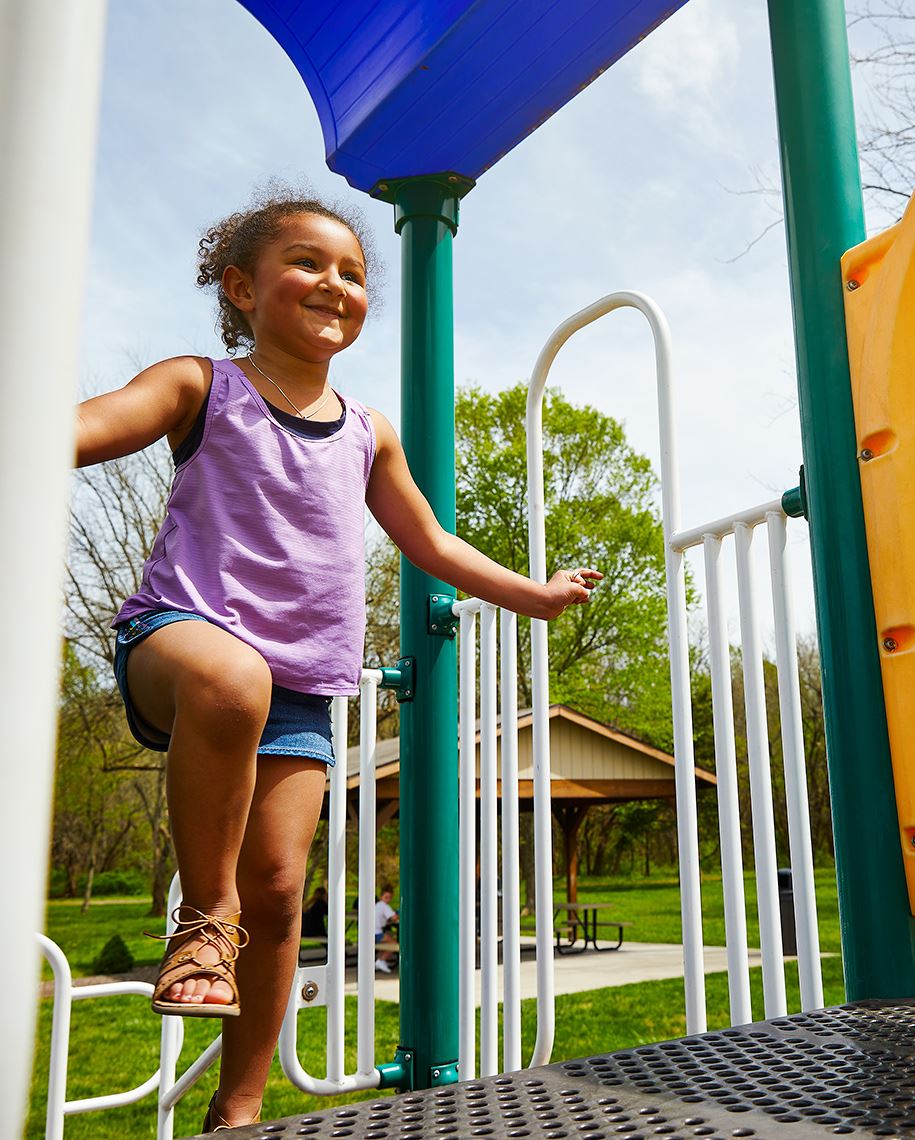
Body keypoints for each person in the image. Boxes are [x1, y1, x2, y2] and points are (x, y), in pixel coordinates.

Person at [74, 190, 602, 1131]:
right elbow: (104, 419)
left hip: (299, 692)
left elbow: (432, 544)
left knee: (280, 894)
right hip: (179, 640)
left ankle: (239, 1109)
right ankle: (202, 922)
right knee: (231, 682)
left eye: (353, 273)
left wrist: (535, 591)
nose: (337, 284)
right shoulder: (202, 384)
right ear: (241, 286)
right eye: (309, 263)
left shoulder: (367, 431)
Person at [374, 884, 399, 973]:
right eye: (386, 897)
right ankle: (381, 960)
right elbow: (394, 918)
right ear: (381, 896)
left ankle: (380, 960)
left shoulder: (378, 905)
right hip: (376, 933)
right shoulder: (385, 906)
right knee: (395, 945)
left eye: (389, 897)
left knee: (388, 939)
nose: (388, 899)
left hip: (373, 932)